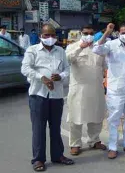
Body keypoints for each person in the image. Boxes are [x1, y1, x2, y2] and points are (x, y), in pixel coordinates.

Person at [21, 24, 74, 172]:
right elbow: (25, 68)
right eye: (46, 35)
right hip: (38, 95)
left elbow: (67, 69)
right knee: (38, 128)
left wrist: (60, 76)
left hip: (56, 95)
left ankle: (58, 155)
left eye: (52, 35)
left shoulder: (61, 51)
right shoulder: (32, 50)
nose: (49, 38)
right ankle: (38, 159)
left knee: (55, 127)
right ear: (40, 36)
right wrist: (41, 78)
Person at [93, 23, 125, 159]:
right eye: (123, 32)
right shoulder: (111, 45)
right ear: (118, 33)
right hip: (116, 89)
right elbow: (96, 49)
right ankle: (113, 147)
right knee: (114, 119)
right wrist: (107, 33)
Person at [66, 25, 107, 156]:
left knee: (96, 115)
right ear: (81, 33)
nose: (88, 35)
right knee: (76, 117)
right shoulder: (72, 46)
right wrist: (80, 48)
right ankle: (75, 144)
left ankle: (94, 140)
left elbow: (105, 66)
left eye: (91, 33)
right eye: (86, 33)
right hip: (79, 88)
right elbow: (68, 59)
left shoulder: (99, 48)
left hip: (96, 88)